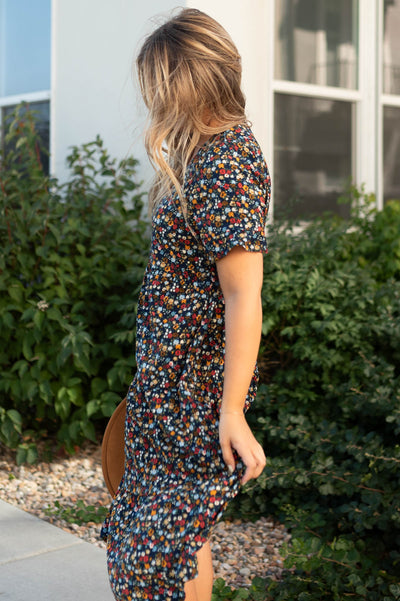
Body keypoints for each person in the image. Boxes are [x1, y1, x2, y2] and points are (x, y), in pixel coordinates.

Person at [100, 8, 271, 601]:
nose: (155, 103)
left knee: (162, 545)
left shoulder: (226, 162)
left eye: (159, 87)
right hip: (170, 384)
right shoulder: (208, 153)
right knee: (172, 535)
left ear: (186, 81)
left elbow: (243, 294)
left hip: (195, 390)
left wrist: (230, 410)